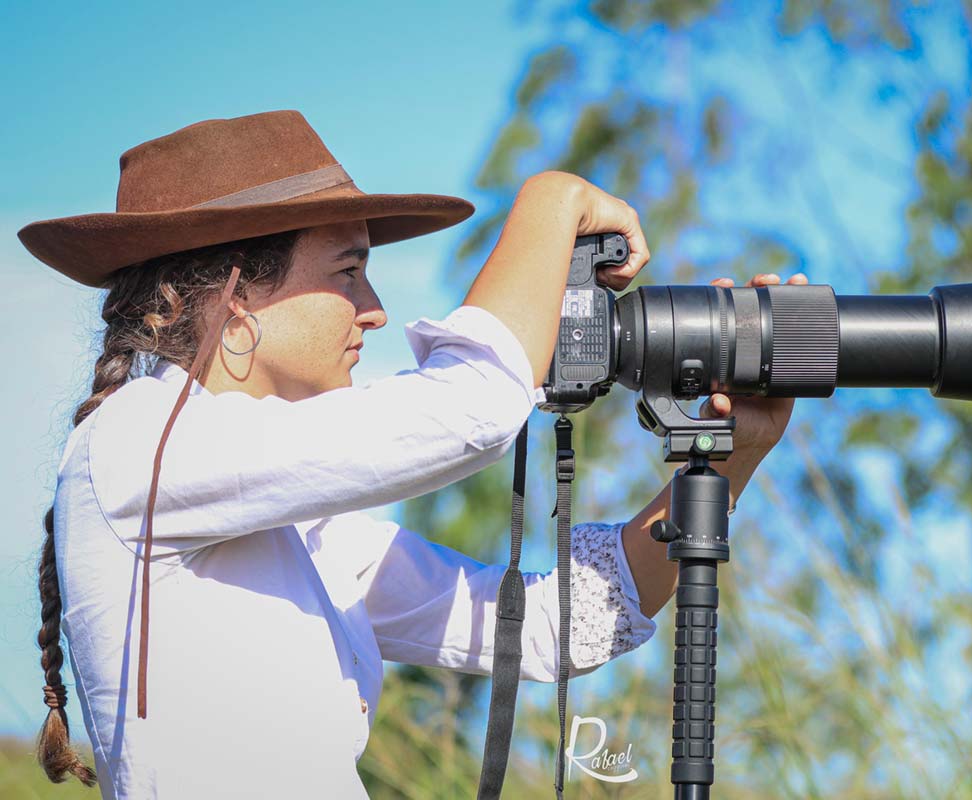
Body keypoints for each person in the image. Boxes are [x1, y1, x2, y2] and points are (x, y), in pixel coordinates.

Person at [19, 110, 806, 798]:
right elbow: (472, 409)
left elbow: (541, 630)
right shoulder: (137, 442)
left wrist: (733, 458)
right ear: (237, 299)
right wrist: (550, 201)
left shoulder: (299, 527)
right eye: (349, 271)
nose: (374, 310)